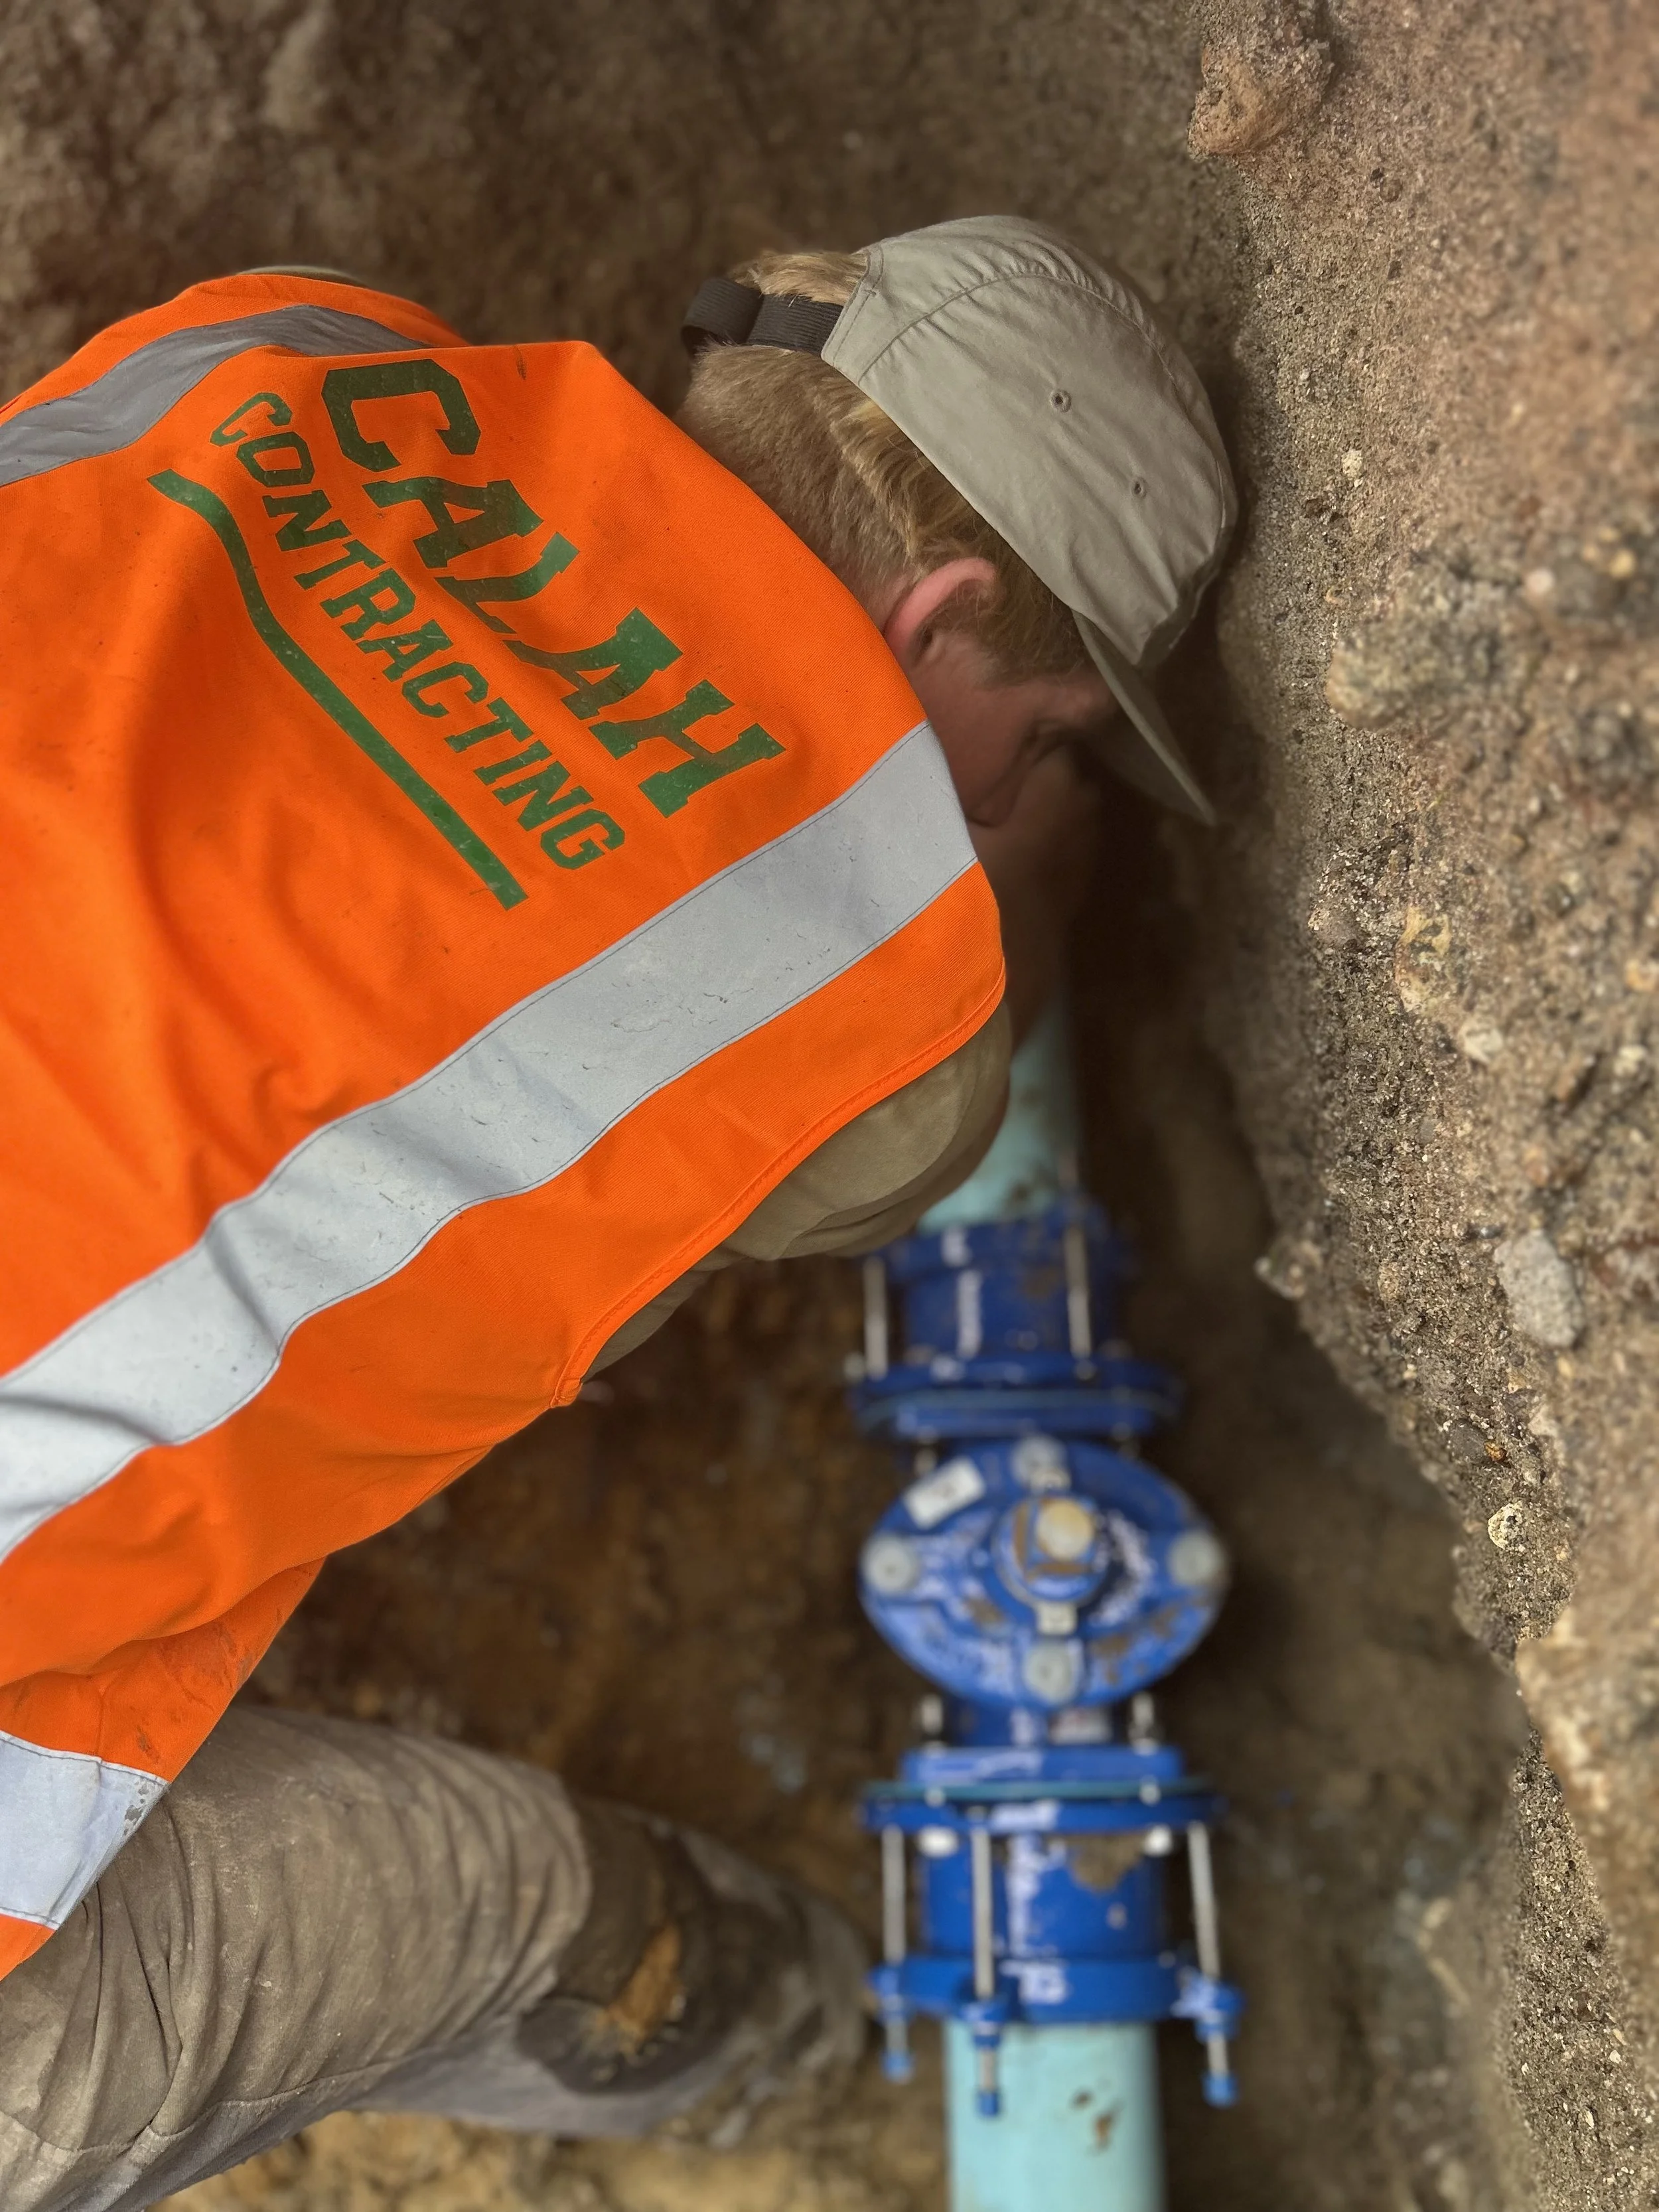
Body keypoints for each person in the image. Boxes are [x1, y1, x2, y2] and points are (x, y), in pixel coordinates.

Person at [0, 215, 1234, 2208]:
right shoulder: (887, 1035)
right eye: (1046, 744)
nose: (1009, 796)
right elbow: (911, 1073)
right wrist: (998, 899)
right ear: (933, 615)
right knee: (506, 1901)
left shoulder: (277, 344)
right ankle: (789, 2034)